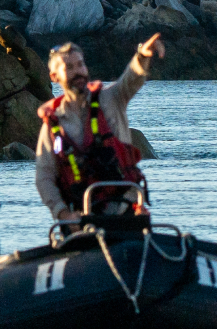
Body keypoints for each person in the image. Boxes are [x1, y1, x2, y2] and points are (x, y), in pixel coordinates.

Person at [36, 33, 165, 221]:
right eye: (69, 67)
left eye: (80, 64)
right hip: (81, 218)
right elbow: (44, 176)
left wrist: (143, 56)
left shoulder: (112, 99)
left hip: (126, 213)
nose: (78, 71)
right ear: (54, 76)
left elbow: (131, 80)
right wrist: (62, 212)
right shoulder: (53, 124)